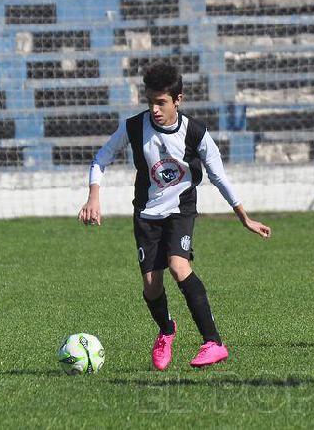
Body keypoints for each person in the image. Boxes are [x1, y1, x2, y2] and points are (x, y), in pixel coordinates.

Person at [79, 63, 272, 370]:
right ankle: (167, 330)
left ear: (178, 99)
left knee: (178, 266)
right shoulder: (133, 127)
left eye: (162, 103)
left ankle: (214, 342)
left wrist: (244, 217)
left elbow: (219, 176)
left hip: (181, 209)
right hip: (146, 213)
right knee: (151, 285)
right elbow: (101, 158)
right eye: (150, 102)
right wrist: (93, 195)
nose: (155, 109)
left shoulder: (195, 132)